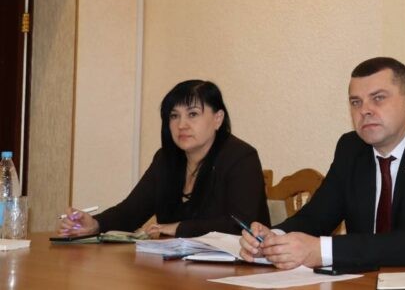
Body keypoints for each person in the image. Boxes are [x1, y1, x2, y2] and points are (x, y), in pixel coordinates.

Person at [240, 57, 405, 269]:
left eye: (378, 98)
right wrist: (275, 238)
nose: (365, 110)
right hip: (365, 281)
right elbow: (316, 217)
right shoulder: (351, 148)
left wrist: (321, 250)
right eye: (356, 102)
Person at [58, 80, 270, 238]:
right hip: (175, 269)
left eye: (193, 114)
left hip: (234, 272)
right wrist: (95, 224)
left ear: (217, 119)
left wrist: (178, 228)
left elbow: (240, 225)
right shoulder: (166, 159)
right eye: (174, 116)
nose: (182, 125)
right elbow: (131, 211)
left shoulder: (241, 158)